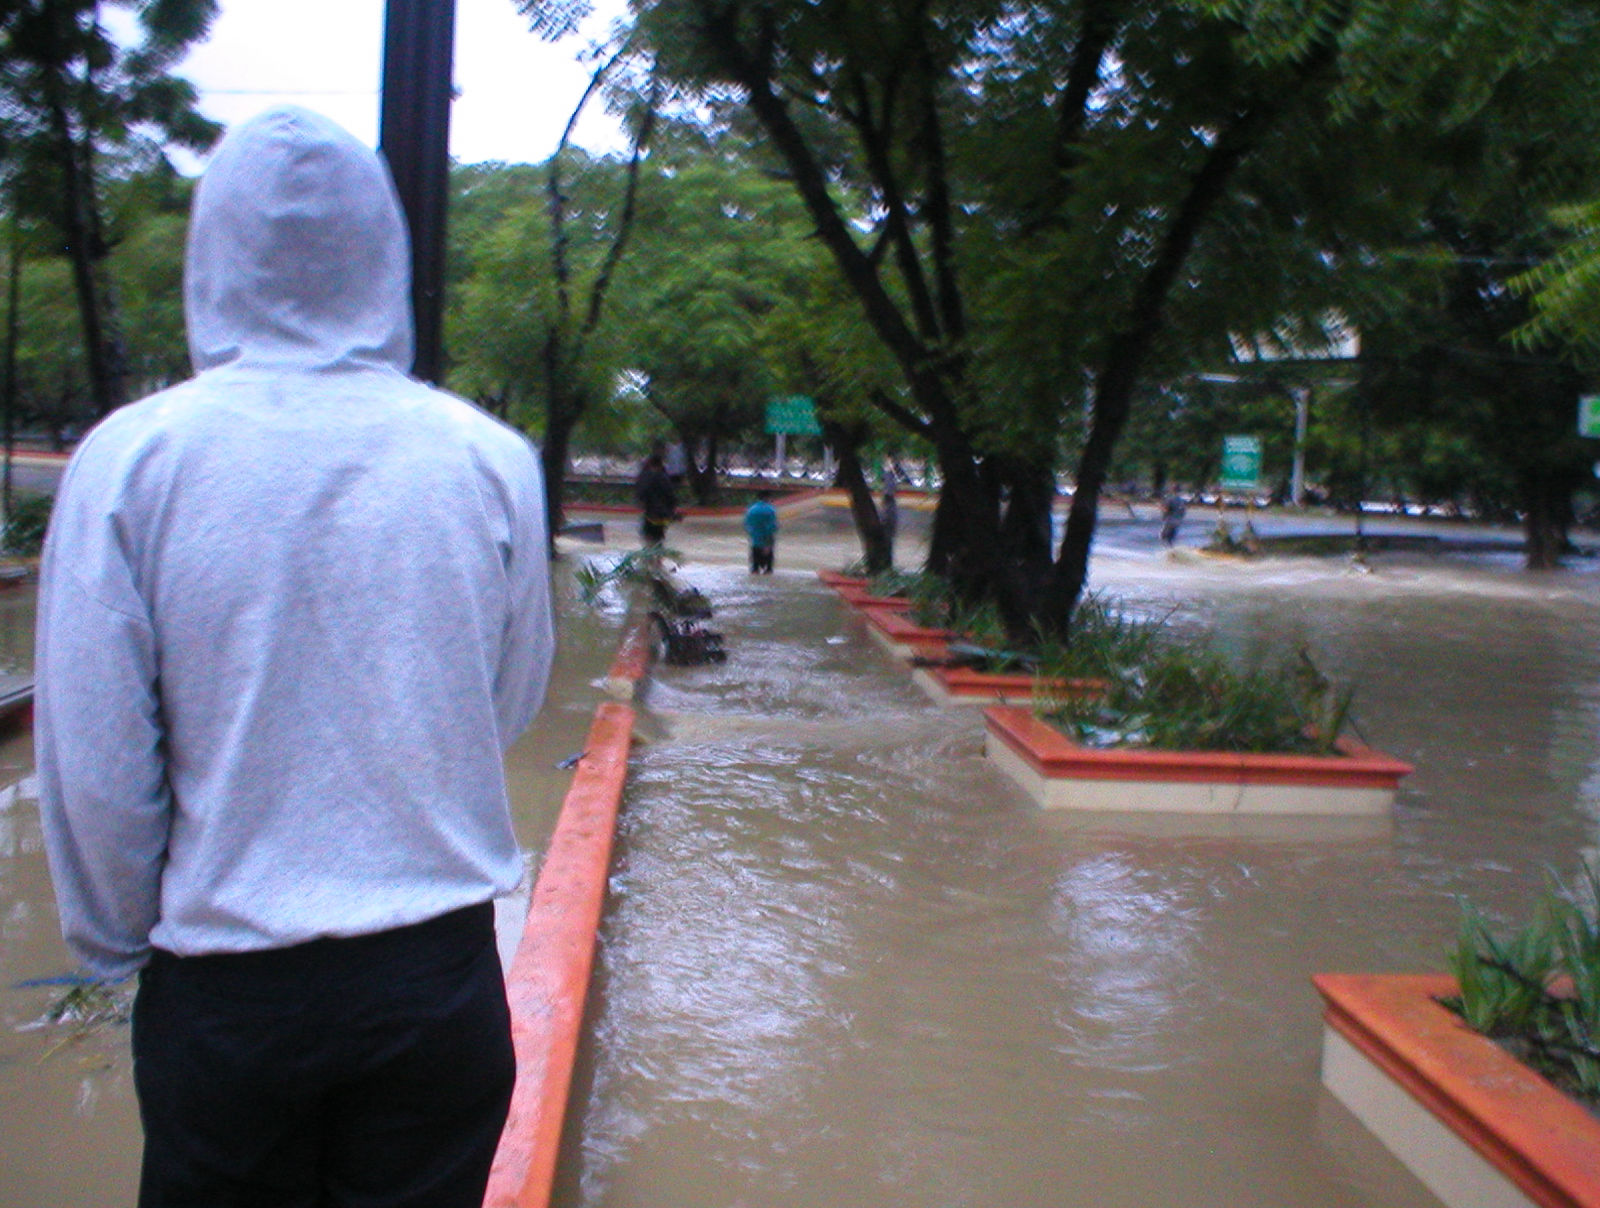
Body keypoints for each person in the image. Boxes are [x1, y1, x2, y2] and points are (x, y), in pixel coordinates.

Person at [34, 107, 554, 1208]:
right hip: (438, 981)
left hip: (227, 993)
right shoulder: (488, 457)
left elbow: (94, 762)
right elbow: (500, 703)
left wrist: (128, 941)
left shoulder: (132, 461)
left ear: (210, 255)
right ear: (385, 256)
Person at [635, 444, 678, 545]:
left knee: (649, 538)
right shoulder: (664, 477)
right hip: (661, 514)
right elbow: (671, 496)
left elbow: (641, 493)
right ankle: (657, 558)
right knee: (658, 538)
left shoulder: (645, 476)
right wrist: (672, 511)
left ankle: (650, 557)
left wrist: (641, 503)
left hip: (650, 513)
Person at [744, 490, 778, 573]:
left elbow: (747, 524)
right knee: (768, 567)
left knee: (755, 564)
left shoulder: (751, 509)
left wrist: (752, 533)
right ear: (767, 498)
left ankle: (755, 570)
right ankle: (767, 570)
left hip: (755, 538)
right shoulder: (770, 509)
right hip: (766, 538)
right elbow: (771, 526)